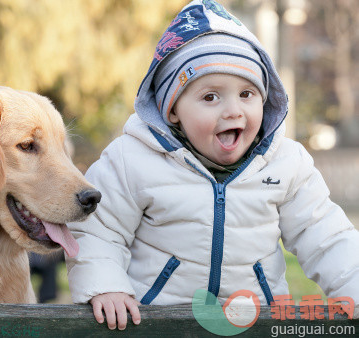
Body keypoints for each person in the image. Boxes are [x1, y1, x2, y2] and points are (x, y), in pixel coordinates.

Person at [65, 0, 359, 331]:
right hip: (159, 322)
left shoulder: (285, 164)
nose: (234, 111)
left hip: (255, 320)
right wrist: (106, 285)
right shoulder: (132, 160)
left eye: (247, 94)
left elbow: (324, 234)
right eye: (210, 97)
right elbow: (99, 228)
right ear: (172, 110)